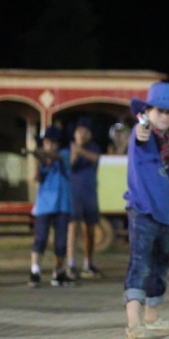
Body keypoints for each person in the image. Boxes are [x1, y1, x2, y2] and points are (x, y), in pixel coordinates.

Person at [123, 82, 169, 339]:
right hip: (142, 211)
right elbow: (141, 132)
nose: (166, 116)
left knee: (160, 266)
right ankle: (134, 324)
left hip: (165, 214)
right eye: (160, 111)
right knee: (139, 264)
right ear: (148, 111)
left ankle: (152, 318)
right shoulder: (141, 134)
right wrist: (142, 125)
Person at [28, 125, 74, 288]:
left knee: (60, 242)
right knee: (40, 239)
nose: (49, 144)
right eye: (47, 142)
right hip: (44, 205)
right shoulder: (44, 158)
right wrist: (38, 160)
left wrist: (45, 155)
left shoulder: (65, 155)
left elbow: (61, 160)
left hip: (62, 204)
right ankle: (35, 271)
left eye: (52, 142)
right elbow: (36, 179)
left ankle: (58, 272)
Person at [65, 117, 103, 278]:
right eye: (79, 131)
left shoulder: (93, 148)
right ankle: (71, 263)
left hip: (90, 194)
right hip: (74, 194)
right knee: (73, 228)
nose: (82, 134)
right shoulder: (68, 150)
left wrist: (80, 150)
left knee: (90, 229)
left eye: (85, 132)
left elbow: (96, 159)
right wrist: (75, 151)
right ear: (74, 134)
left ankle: (88, 263)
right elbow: (69, 166)